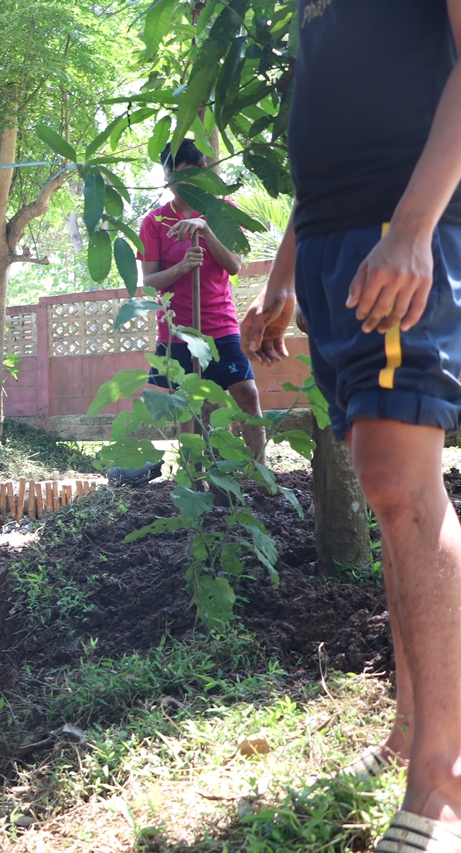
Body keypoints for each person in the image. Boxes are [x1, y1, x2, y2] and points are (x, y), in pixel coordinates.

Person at [241, 2, 461, 848]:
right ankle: (412, 729)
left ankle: (443, 778)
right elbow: (327, 141)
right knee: (384, 489)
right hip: (337, 245)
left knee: (400, 483)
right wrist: (283, 276)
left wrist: (412, 229)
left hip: (398, 235)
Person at [139, 138, 265, 461]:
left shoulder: (223, 211)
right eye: (174, 177)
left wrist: (206, 229)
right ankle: (196, 481)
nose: (181, 185)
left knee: (247, 394)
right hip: (177, 333)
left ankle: (263, 476)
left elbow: (234, 265)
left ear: (203, 172)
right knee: (186, 410)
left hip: (221, 326)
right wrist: (182, 267)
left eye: (189, 175)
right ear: (165, 177)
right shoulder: (154, 223)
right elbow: (150, 281)